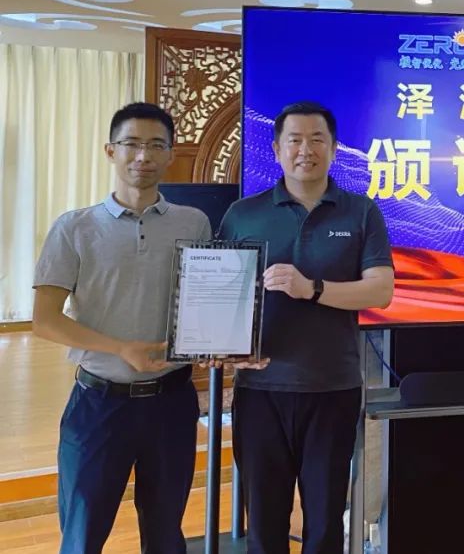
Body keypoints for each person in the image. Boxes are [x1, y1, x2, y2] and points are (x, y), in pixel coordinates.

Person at [32, 102, 211, 553]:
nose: (143, 156)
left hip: (172, 403)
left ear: (170, 154)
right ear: (110, 151)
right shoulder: (74, 227)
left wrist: (219, 343)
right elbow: (45, 320)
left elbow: (206, 303)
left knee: (166, 534)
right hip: (98, 405)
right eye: (131, 144)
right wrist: (120, 348)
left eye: (156, 145)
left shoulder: (194, 223)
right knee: (82, 535)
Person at [220, 101, 394, 553]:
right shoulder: (242, 214)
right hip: (260, 391)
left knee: (324, 523)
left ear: (334, 149)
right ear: (276, 149)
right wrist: (218, 346)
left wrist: (312, 288)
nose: (305, 150)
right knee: (264, 523)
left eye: (317, 140)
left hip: (332, 388)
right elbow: (221, 296)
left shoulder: (361, 212)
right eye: (294, 140)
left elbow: (380, 291)